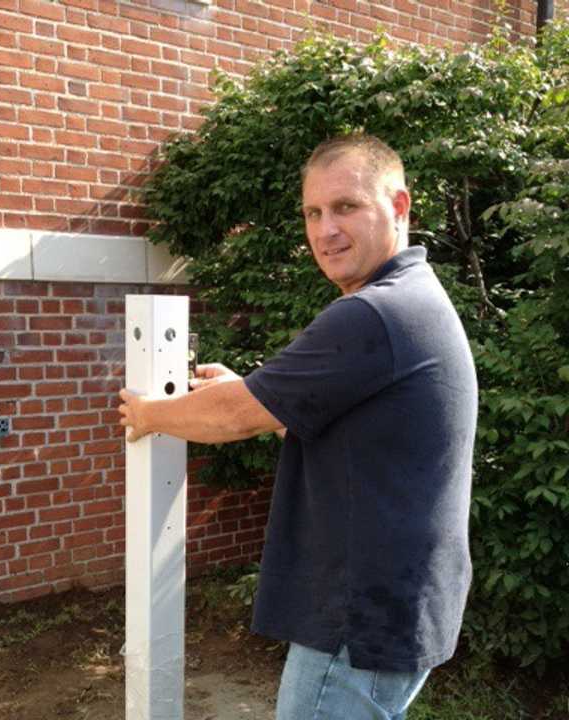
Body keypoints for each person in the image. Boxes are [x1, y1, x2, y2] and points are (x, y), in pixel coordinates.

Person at [118, 133, 478, 720]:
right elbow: (350, 438)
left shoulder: (374, 313)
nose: (325, 230)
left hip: (360, 611)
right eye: (313, 212)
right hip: (396, 602)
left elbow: (234, 416)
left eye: (346, 207)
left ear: (400, 205)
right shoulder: (411, 300)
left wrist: (148, 414)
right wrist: (252, 392)